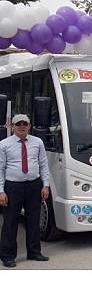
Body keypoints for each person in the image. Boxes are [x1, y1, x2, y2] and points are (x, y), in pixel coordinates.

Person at [0, 114, 50, 268]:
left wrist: (45, 185)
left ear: (29, 125)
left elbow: (43, 164)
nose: (22, 126)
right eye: (18, 124)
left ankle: (34, 252)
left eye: (25, 123)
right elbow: (0, 169)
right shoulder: (4, 144)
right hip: (13, 187)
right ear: (12, 126)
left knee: (33, 220)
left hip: (33, 186)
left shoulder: (38, 142)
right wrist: (1, 191)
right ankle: (7, 255)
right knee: (10, 222)